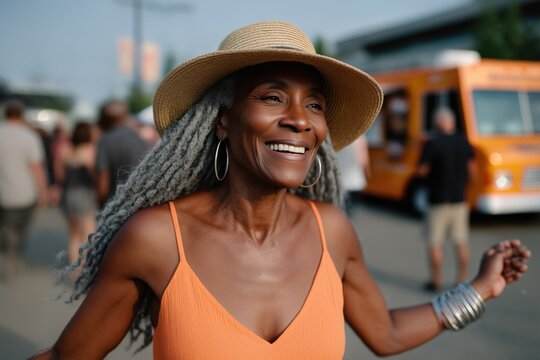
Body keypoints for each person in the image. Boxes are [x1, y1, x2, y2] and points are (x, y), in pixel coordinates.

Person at [31, 22, 530, 359]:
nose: (299, 120)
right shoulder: (157, 239)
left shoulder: (331, 230)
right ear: (223, 122)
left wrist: (480, 288)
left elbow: (385, 333)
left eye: (314, 106)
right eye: (273, 97)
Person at [417, 107, 476, 292]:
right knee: (461, 241)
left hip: (437, 201)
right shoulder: (463, 141)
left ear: (437, 123)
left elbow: (422, 170)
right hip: (459, 199)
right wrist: (466, 187)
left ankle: (435, 280)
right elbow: (472, 170)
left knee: (435, 243)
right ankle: (461, 279)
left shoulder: (432, 143)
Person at [0, 100, 48, 279]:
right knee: (20, 227)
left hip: (3, 191)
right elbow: (36, 166)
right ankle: (14, 254)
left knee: (6, 225)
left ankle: (8, 251)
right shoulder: (29, 136)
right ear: (21, 115)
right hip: (24, 193)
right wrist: (43, 190)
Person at [56, 122, 97, 268]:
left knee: (73, 233)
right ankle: (86, 267)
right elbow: (94, 175)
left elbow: (59, 175)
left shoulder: (64, 149)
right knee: (87, 231)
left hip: (68, 192)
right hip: (85, 192)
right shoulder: (90, 150)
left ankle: (74, 269)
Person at [95, 100, 148, 207]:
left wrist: (100, 205)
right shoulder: (140, 140)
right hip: (137, 204)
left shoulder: (105, 141)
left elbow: (102, 186)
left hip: (113, 205)